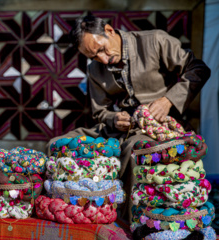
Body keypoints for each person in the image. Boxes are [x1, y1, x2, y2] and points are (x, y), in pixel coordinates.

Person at [46, 15, 211, 223]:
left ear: (109, 30)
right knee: (57, 145)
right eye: (94, 56)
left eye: (101, 49)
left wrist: (168, 100)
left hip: (156, 127)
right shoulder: (95, 69)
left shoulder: (154, 41)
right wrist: (114, 119)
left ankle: (130, 224)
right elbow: (100, 112)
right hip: (121, 128)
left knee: (136, 151)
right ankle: (72, 213)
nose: (103, 60)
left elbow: (199, 69)